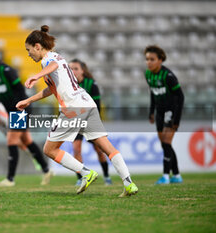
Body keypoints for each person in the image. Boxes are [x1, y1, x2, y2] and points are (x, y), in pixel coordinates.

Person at [16, 25, 138, 196]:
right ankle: (129, 184)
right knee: (106, 146)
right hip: (86, 103)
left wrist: (36, 76)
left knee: (49, 150)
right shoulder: (54, 59)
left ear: (37, 46)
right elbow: (51, 89)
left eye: (29, 50)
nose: (29, 54)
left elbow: (53, 65)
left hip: (73, 107)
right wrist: (29, 100)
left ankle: (86, 173)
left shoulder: (49, 60)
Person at [0, 45, 53, 187]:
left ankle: (10, 179)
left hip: (20, 109)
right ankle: (47, 170)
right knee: (26, 140)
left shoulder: (6, 70)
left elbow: (20, 90)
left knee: (11, 139)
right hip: (11, 111)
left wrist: (21, 109)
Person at [144, 45, 184, 184]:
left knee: (166, 143)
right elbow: (153, 93)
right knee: (164, 144)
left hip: (171, 111)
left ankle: (166, 176)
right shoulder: (148, 74)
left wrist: (176, 119)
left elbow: (180, 97)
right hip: (159, 112)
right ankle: (177, 175)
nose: (149, 62)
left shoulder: (168, 76)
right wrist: (151, 111)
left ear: (160, 60)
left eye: (152, 59)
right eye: (147, 59)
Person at [69, 59, 112, 186]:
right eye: (70, 68)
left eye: (76, 68)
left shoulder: (92, 84)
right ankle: (80, 178)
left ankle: (106, 176)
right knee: (76, 149)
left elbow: (97, 106)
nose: (73, 71)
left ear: (83, 70)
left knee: (99, 150)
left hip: (89, 122)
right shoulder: (69, 85)